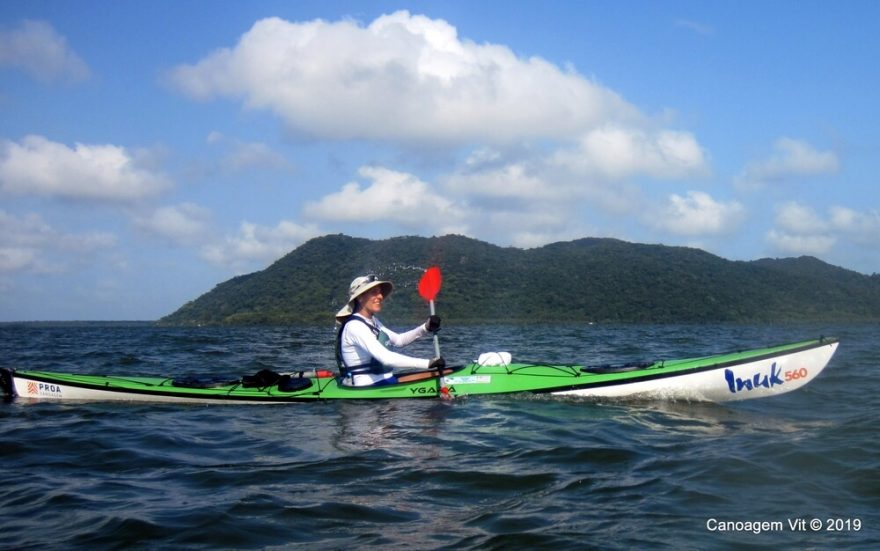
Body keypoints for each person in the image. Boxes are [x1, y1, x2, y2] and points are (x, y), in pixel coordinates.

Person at [335, 274, 445, 387]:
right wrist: (428, 363)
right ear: (360, 297)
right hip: (367, 389)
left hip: (385, 381)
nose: (381, 296)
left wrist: (426, 328)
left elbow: (399, 340)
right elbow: (386, 358)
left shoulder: (373, 321)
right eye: (374, 292)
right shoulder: (355, 326)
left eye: (380, 292)